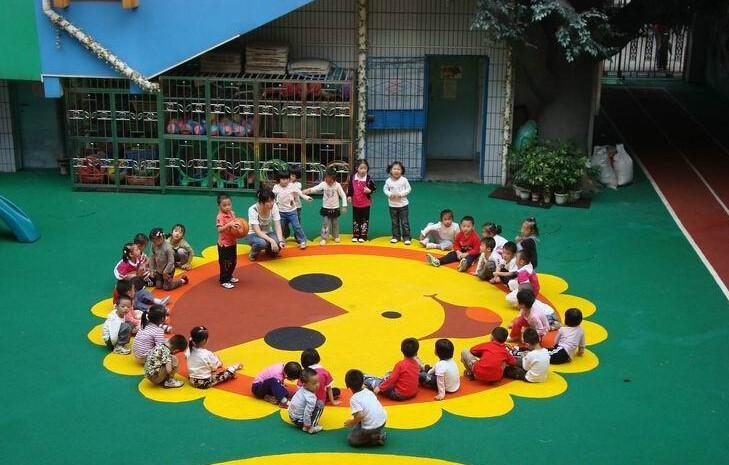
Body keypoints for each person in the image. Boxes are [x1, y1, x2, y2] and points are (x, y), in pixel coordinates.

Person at [302, 167, 348, 245]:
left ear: (333, 180)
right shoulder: (323, 184)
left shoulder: (337, 185)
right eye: (326, 179)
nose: (327, 181)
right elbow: (316, 188)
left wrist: (344, 206)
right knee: (326, 224)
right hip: (326, 208)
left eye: (330, 180)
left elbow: (343, 195)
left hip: (335, 208)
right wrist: (308, 190)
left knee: (335, 223)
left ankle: (336, 236)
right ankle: (324, 238)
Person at [344, 369, 387, 447]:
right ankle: (376, 432)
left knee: (352, 440)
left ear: (347, 385)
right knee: (358, 423)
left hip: (372, 427)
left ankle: (376, 438)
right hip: (383, 421)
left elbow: (360, 416)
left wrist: (351, 422)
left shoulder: (354, 399)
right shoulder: (368, 391)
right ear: (363, 382)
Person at [272, 168, 312, 249]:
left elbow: (299, 193)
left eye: (287, 179)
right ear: (279, 179)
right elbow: (272, 196)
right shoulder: (276, 187)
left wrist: (306, 197)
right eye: (283, 179)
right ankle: (282, 239)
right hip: (281, 212)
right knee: (282, 227)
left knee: (296, 226)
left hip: (292, 211)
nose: (285, 181)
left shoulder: (292, 186)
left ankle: (302, 241)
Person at [247, 187, 287, 260]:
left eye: (272, 200)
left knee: (281, 240)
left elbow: (277, 225)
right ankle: (253, 253)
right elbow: (258, 232)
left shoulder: (274, 206)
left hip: (268, 232)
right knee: (262, 243)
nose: (271, 203)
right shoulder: (253, 209)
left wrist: (280, 241)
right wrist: (272, 240)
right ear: (261, 202)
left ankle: (269, 251)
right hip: (254, 234)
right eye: (268, 201)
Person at [347, 159, 377, 242]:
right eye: (361, 168)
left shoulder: (369, 179)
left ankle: (363, 235)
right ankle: (356, 234)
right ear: (357, 168)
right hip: (355, 202)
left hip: (365, 203)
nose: (363, 170)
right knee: (356, 219)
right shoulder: (352, 177)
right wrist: (349, 195)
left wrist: (370, 191)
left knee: (364, 219)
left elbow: (374, 188)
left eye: (365, 168)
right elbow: (350, 187)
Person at [288, 368, 324, 434]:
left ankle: (304, 424)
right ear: (305, 385)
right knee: (320, 404)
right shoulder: (310, 397)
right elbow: (307, 412)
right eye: (314, 383)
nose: (317, 385)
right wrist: (307, 425)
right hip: (300, 421)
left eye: (318, 382)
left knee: (311, 404)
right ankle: (312, 427)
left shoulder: (302, 389)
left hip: (292, 417)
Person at [383, 161, 412, 244]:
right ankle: (396, 236)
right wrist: (390, 194)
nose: (396, 171)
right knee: (394, 222)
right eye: (394, 169)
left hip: (403, 205)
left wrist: (401, 194)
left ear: (402, 171)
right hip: (392, 206)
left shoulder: (404, 180)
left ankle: (406, 237)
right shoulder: (388, 181)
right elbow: (385, 189)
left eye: (399, 169)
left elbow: (408, 189)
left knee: (404, 222)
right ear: (390, 170)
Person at [216, 193, 240, 289]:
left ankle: (229, 276)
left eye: (229, 204)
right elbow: (219, 229)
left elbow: (235, 224)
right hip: (224, 244)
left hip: (232, 242)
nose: (227, 207)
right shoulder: (220, 216)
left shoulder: (232, 213)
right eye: (224, 205)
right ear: (219, 206)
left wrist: (239, 226)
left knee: (233, 261)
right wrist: (229, 225)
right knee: (224, 263)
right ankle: (223, 280)